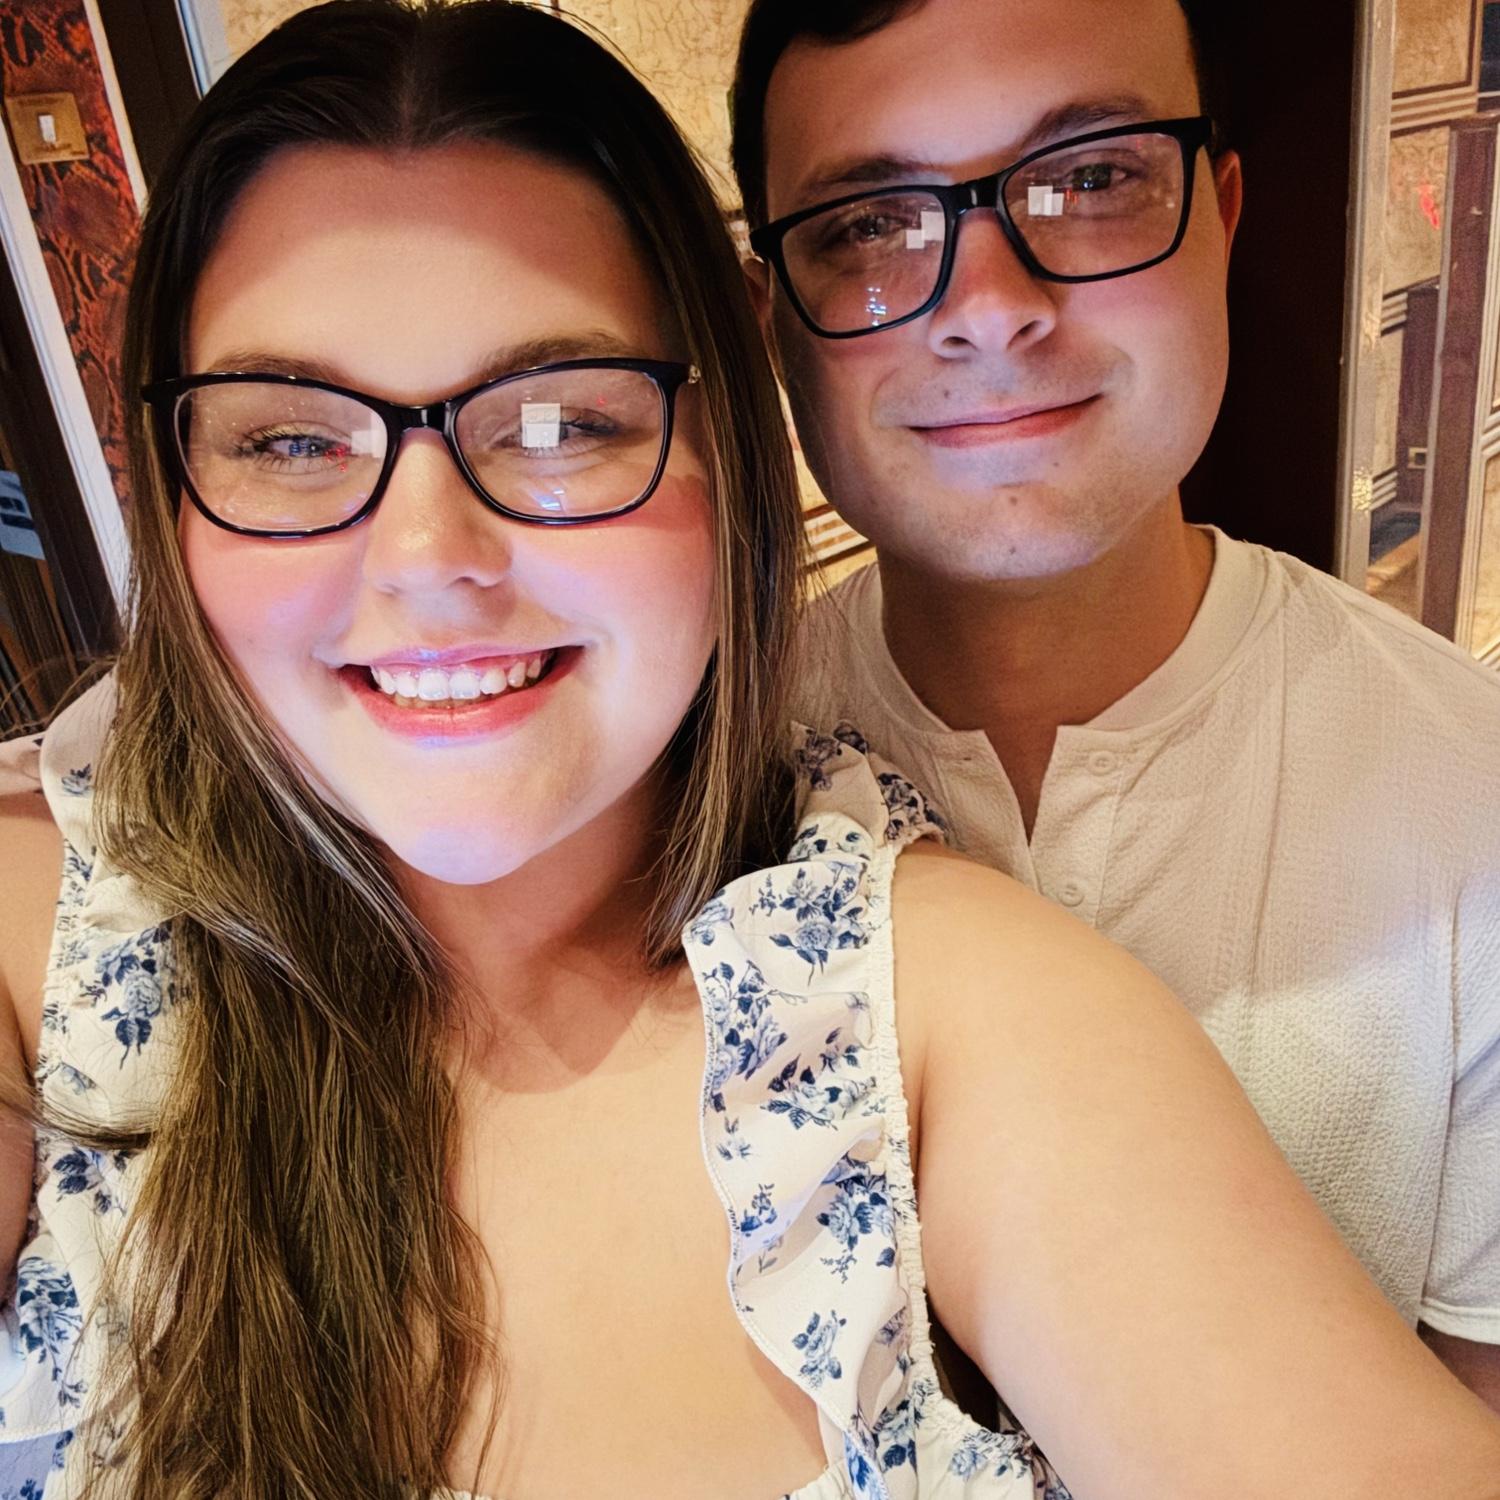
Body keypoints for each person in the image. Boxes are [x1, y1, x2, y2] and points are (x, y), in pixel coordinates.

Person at [1, 4, 1498, 1498]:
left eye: (563, 421)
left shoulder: (936, 988)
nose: (425, 560)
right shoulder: (61, 926)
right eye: (287, 439)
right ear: (771, 327)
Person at [732, 0, 1500, 1412]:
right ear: (772, 317)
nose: (989, 305)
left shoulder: (1473, 804)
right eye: (869, 224)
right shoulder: (683, 794)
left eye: (1090, 180)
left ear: (1223, 216)